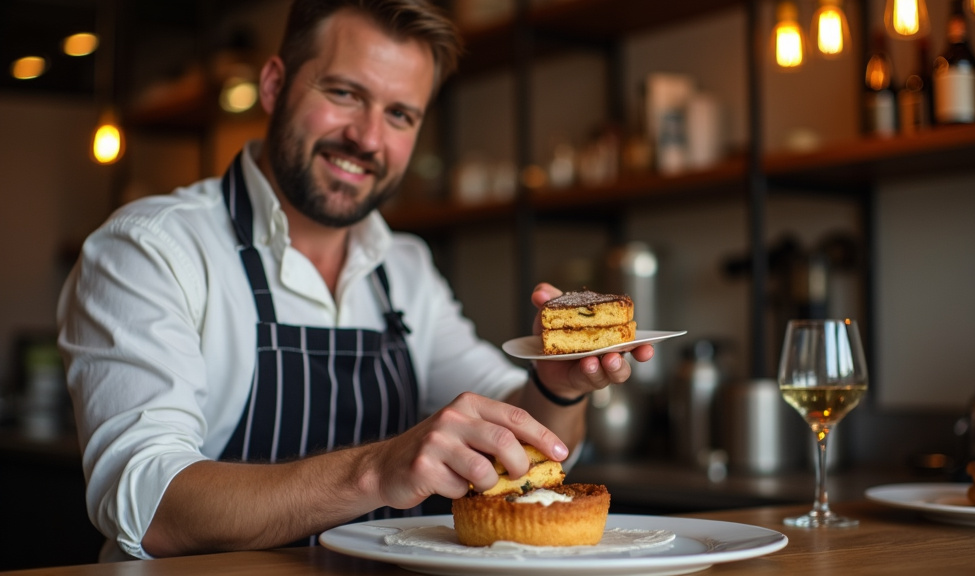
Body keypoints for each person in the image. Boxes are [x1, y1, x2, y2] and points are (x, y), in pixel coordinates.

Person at [57, 0, 654, 560]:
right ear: (274, 85)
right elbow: (148, 506)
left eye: (399, 114)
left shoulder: (404, 267)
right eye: (344, 93)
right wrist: (378, 471)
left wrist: (555, 389)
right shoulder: (151, 248)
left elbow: (527, 442)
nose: (368, 138)